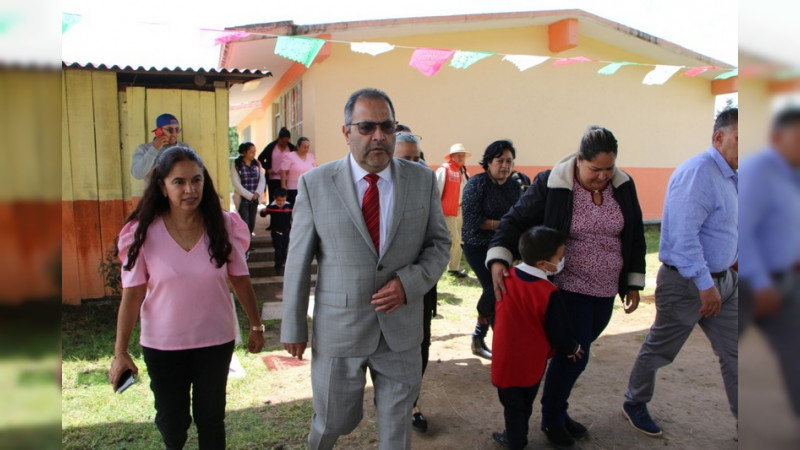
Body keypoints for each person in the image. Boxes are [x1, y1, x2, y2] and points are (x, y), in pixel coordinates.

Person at [280, 88, 450, 450]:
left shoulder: (421, 181)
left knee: (396, 427)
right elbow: (297, 259)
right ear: (347, 132)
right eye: (367, 127)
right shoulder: (316, 184)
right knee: (333, 420)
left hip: (401, 329)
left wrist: (410, 283)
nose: (379, 136)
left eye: (387, 126)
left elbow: (439, 245)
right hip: (340, 329)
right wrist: (293, 325)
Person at [488, 126, 646, 448]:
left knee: (574, 354)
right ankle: (553, 419)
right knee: (575, 355)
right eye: (595, 169)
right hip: (567, 287)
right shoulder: (553, 183)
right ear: (579, 160)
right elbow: (514, 220)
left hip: (604, 291)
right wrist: (499, 257)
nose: (602, 176)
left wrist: (632, 280)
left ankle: (555, 411)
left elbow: (635, 234)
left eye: (609, 168)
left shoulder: (623, 186)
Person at [109, 146, 265, 449]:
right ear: (162, 187)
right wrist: (120, 351)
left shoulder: (223, 225)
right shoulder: (141, 233)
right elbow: (132, 294)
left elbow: (240, 279)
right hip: (162, 347)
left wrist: (256, 325)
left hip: (215, 343)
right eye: (179, 182)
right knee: (172, 422)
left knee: (211, 420)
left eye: (196, 180)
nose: (190, 189)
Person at [622, 108, 738, 437]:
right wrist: (705, 285)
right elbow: (684, 239)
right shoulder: (699, 173)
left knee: (739, 355)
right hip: (689, 284)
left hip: (724, 283)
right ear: (719, 138)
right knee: (660, 350)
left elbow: (727, 227)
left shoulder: (732, 175)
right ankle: (634, 401)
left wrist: (735, 259)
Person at [491, 226, 584, 450]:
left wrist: (488, 319)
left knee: (511, 405)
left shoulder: (504, 278)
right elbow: (558, 331)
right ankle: (516, 441)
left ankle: (514, 438)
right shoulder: (548, 292)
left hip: (504, 361)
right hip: (531, 363)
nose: (561, 262)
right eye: (559, 258)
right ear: (543, 264)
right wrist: (572, 348)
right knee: (524, 403)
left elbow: (485, 304)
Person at [739, 108, 800, 433]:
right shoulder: (759, 172)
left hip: (787, 279)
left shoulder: (793, 175)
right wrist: (761, 284)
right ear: (778, 138)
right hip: (756, 283)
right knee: (732, 348)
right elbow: (744, 231)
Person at [461, 140, 522, 360]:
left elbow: (521, 215)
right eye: (500, 160)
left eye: (509, 161)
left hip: (505, 246)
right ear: (488, 162)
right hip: (478, 245)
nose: (505, 165)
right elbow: (472, 221)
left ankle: (479, 338)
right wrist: (504, 223)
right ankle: (506, 349)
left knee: (499, 291)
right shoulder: (476, 184)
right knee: (497, 290)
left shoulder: (515, 186)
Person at [394, 131, 437, 433]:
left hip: (420, 283)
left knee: (419, 343)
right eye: (404, 159)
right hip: (380, 287)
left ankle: (412, 402)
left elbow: (437, 240)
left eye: (416, 158)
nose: (413, 165)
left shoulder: (426, 185)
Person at [436, 143, 471, 278]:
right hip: (447, 211)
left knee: (459, 239)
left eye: (463, 155)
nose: (461, 158)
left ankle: (453, 268)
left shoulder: (464, 171)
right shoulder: (444, 170)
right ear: (452, 156)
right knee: (453, 239)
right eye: (458, 155)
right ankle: (448, 267)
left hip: (460, 210)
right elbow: (437, 192)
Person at [131, 113, 186, 183]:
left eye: (177, 130)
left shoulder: (185, 148)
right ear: (158, 131)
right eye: (170, 130)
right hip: (154, 193)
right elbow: (138, 174)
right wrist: (154, 150)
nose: (174, 134)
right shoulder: (144, 149)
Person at [231, 142, 265, 242]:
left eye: (254, 152)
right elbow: (236, 182)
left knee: (251, 224)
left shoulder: (257, 164)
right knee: (244, 223)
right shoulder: (237, 164)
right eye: (251, 152)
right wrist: (249, 195)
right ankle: (245, 246)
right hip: (243, 199)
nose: (253, 154)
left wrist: (257, 193)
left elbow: (262, 180)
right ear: (244, 152)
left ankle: (248, 243)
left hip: (254, 199)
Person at [258, 127, 296, 203]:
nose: (284, 144)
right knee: (274, 200)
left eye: (286, 142)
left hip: (287, 179)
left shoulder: (291, 148)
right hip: (273, 178)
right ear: (279, 139)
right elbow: (260, 158)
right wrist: (268, 169)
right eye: (282, 141)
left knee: (286, 200)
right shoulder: (271, 147)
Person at [264, 188, 292, 276]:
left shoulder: (289, 206)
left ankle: (284, 264)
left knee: (285, 249)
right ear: (274, 198)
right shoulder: (271, 207)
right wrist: (264, 211)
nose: (281, 202)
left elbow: (295, 215)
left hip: (286, 232)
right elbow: (263, 214)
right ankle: (278, 267)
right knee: (278, 249)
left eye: (283, 200)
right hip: (276, 232)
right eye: (279, 200)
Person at [281, 136, 317, 205]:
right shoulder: (290, 156)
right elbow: (283, 171)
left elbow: (314, 171)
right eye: (304, 147)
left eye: (308, 147)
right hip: (293, 188)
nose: (306, 149)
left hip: (308, 188)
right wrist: (283, 187)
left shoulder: (311, 156)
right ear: (298, 146)